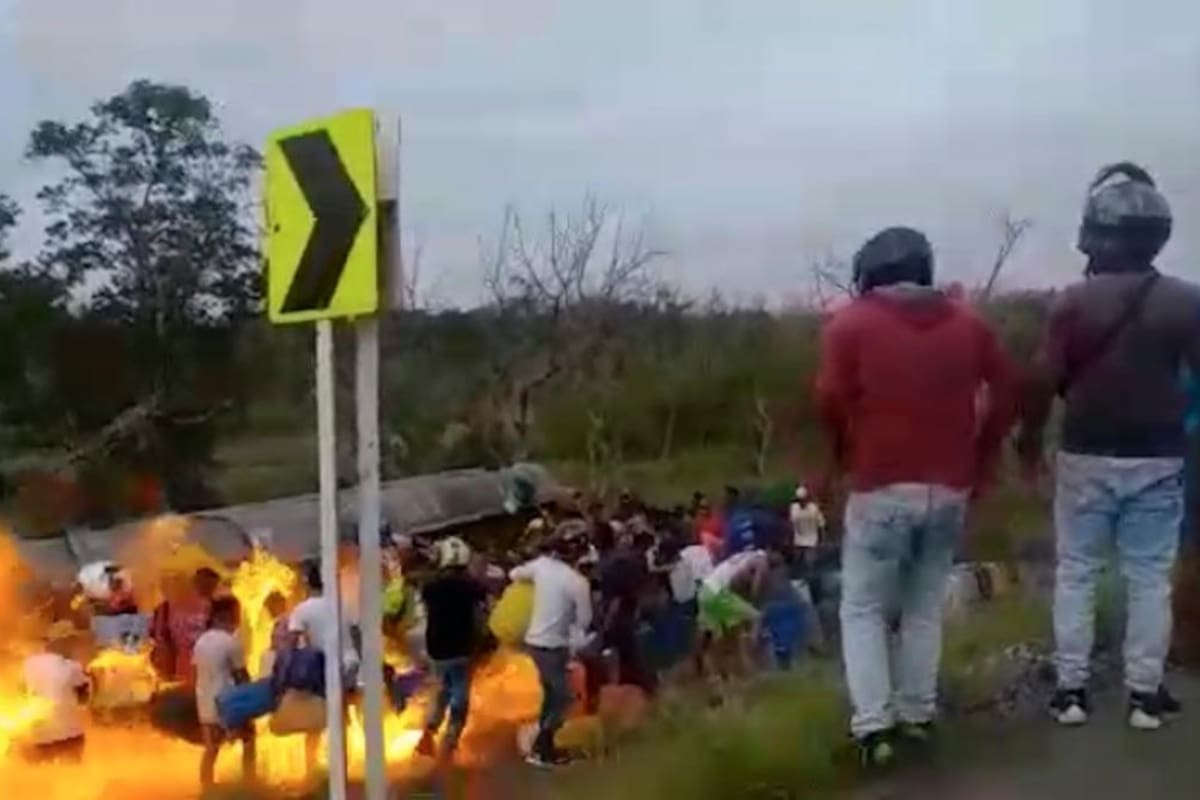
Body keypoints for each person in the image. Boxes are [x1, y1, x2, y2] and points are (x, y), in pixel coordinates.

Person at [818, 226, 1017, 767]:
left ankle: (874, 728)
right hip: (950, 486)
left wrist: (843, 450)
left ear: (870, 275)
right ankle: (917, 717)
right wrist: (984, 455)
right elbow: (1008, 389)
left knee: (861, 608)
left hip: (880, 484)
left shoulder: (850, 324)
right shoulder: (969, 323)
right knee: (923, 607)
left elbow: (830, 398)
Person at [1018, 163, 1200, 731]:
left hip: (1086, 455)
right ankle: (1144, 694)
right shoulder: (1186, 301)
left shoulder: (1072, 303)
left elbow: (1042, 381)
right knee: (1149, 576)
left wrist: (1027, 444)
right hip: (1161, 457)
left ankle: (1071, 692)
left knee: (1077, 571)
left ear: (1097, 233)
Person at [510, 528, 593, 768]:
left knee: (551, 694)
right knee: (563, 698)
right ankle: (542, 749)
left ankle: (543, 740)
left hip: (534, 644)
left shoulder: (542, 566)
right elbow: (584, 621)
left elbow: (515, 574)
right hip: (554, 646)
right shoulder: (578, 582)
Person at [416, 536, 488, 761]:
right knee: (460, 695)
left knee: (443, 690)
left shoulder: (430, 587)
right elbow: (480, 614)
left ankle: (428, 734)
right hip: (462, 647)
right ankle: (450, 741)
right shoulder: (471, 587)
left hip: (436, 647)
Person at [194, 596, 255, 790]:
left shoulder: (201, 642)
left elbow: (198, 672)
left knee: (211, 748)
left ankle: (206, 787)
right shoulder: (231, 642)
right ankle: (249, 782)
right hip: (230, 702)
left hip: (205, 702)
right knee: (249, 739)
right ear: (227, 615)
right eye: (236, 614)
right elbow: (242, 676)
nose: (238, 620)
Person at [697, 548, 769, 689]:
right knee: (756, 617)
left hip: (705, 591)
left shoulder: (741, 556)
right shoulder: (761, 560)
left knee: (725, 638)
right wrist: (753, 601)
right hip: (719, 593)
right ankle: (753, 659)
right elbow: (751, 587)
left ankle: (718, 676)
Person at [22, 621, 90, 763]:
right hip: (68, 735)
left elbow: (21, 693)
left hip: (37, 736)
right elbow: (84, 697)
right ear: (64, 643)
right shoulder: (72, 667)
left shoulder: (28, 664)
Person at [789, 485, 826, 571]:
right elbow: (791, 523)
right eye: (799, 500)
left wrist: (822, 539)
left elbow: (821, 524)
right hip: (798, 538)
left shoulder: (814, 509)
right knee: (797, 561)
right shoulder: (794, 508)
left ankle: (810, 577)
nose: (801, 502)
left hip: (811, 538)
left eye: (803, 499)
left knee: (810, 562)